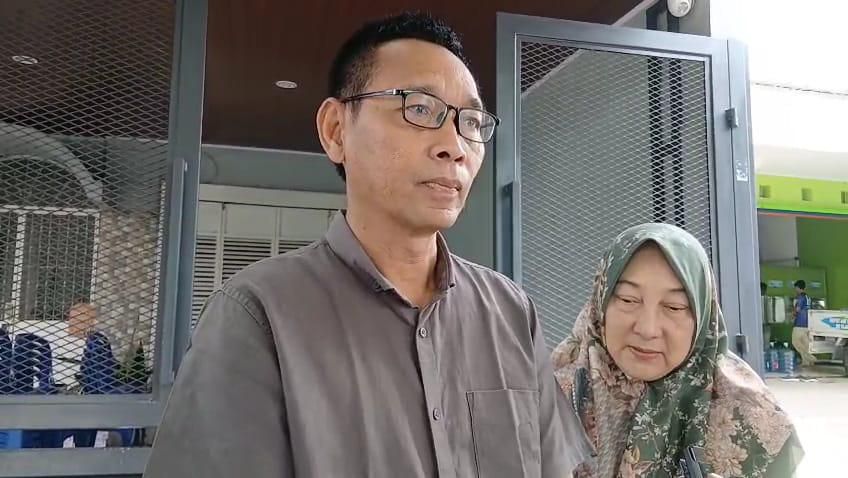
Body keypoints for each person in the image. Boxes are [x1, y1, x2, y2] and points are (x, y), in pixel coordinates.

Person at [144, 11, 590, 478]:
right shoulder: (258, 315)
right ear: (336, 130)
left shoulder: (511, 312)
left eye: (472, 121)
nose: (455, 145)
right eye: (419, 108)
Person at [552, 223, 803, 478]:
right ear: (600, 304)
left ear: (703, 316)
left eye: (674, 307)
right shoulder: (550, 396)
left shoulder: (750, 417)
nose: (648, 329)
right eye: (628, 300)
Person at [791, 279, 816, 368]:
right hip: (807, 323)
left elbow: (797, 309)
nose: (795, 290)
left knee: (795, 342)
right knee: (805, 344)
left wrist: (793, 316)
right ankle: (806, 362)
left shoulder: (801, 297)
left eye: (796, 288)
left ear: (798, 288)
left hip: (799, 323)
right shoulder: (808, 297)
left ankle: (811, 358)